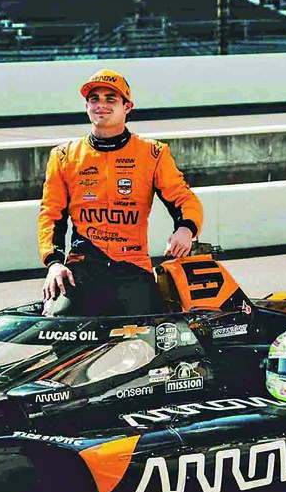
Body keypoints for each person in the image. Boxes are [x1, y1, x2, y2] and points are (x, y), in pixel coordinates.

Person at [38, 69, 203, 316]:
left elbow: (184, 198)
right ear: (86, 106)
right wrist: (54, 263)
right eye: (94, 99)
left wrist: (185, 229)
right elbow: (51, 214)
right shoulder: (63, 156)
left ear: (127, 107)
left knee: (153, 331)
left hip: (132, 266)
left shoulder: (153, 154)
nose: (101, 105)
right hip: (82, 266)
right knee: (55, 321)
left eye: (111, 99)